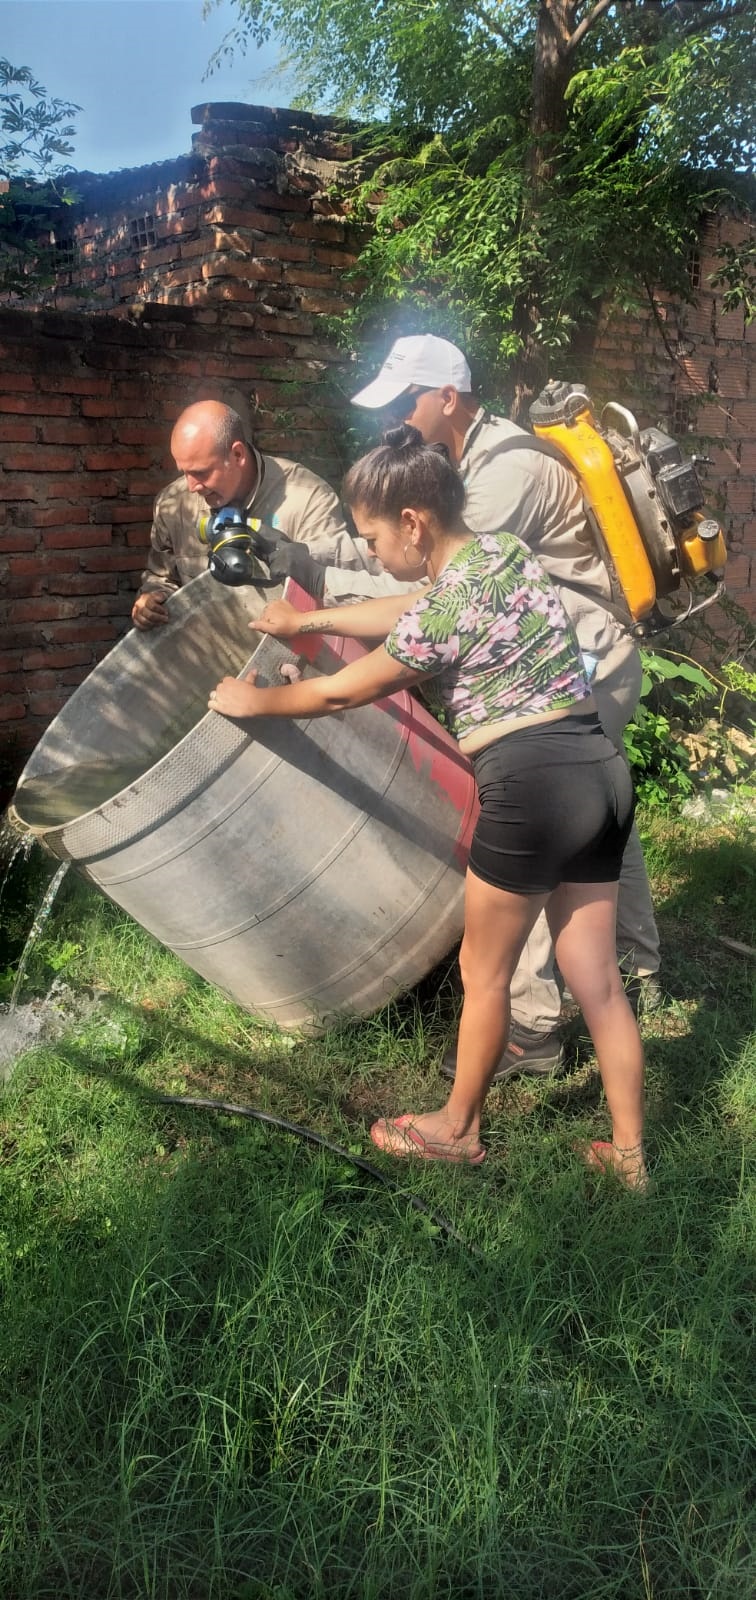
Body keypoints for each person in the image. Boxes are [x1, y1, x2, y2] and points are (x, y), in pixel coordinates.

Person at [207, 425, 648, 1190]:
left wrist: (259, 699)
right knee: (597, 979)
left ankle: (456, 1129)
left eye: (373, 537)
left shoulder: (445, 612)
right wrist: (305, 621)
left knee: (484, 971)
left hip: (531, 789)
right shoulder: (503, 556)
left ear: (413, 522)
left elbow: (346, 688)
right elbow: (411, 606)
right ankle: (631, 1156)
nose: (370, 554)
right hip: (598, 772)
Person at [351, 334, 661, 1083]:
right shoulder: (469, 462)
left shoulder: (505, 472)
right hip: (583, 664)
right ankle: (639, 969)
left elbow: (437, 600)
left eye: (404, 401)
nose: (393, 417)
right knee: (593, 821)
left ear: (446, 398)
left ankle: (532, 1024)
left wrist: (317, 603)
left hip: (578, 669)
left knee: (530, 846)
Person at [131, 399, 409, 631]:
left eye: (201, 473)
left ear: (238, 454)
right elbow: (160, 578)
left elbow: (337, 597)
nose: (191, 487)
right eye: (184, 472)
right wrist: (151, 600)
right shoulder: (174, 503)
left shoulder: (308, 498)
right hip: (207, 656)